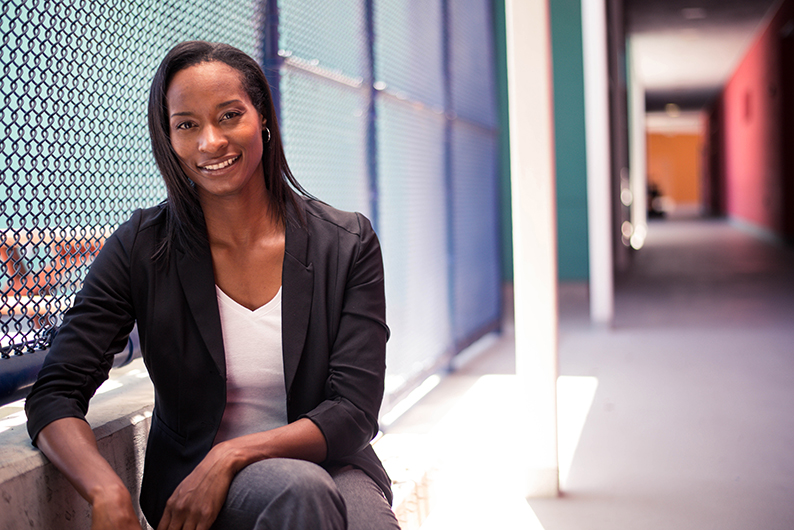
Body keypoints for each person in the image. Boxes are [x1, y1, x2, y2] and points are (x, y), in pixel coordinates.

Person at [24, 41, 400, 530]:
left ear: (261, 116)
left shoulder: (346, 243)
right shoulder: (143, 247)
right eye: (187, 125)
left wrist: (231, 456)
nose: (211, 142)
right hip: (194, 488)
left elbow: (354, 409)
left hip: (333, 463)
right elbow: (56, 391)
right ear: (169, 138)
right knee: (299, 493)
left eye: (228, 116)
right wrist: (106, 491)